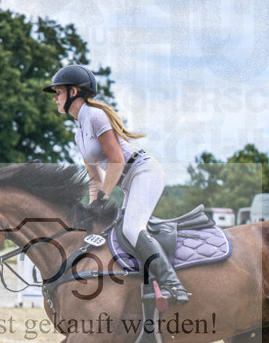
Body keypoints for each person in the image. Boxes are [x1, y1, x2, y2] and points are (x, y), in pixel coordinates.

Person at [44, 64, 189, 306]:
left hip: (143, 172)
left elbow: (117, 160)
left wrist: (102, 197)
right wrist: (90, 209)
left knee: (132, 229)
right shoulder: (78, 133)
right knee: (110, 230)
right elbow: (95, 178)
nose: (55, 98)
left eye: (58, 92)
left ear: (73, 92)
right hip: (129, 181)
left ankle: (172, 284)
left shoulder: (95, 116)